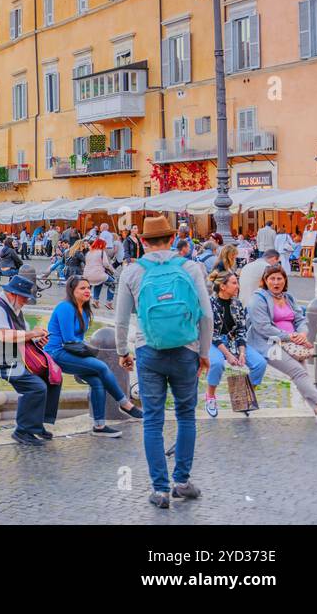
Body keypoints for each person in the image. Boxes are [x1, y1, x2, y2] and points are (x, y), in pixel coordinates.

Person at [115, 215, 212, 509]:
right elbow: (206, 316)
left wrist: (122, 352)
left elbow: (120, 321)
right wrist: (204, 352)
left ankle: (160, 489)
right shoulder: (191, 267)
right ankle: (181, 481)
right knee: (186, 416)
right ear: (172, 239)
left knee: (153, 420)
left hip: (149, 352)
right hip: (186, 350)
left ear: (142, 242)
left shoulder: (131, 272)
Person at [46, 276, 142, 436]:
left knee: (97, 381)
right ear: (72, 291)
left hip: (71, 353)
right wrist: (89, 354)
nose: (87, 291)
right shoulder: (65, 307)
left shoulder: (84, 310)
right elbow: (68, 339)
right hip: (57, 353)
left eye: (88, 288)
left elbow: (78, 340)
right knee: (101, 366)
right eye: (82, 288)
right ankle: (125, 404)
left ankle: (99, 426)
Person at [0, 273, 60, 446]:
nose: (26, 301)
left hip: (16, 358)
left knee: (53, 377)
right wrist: (32, 334)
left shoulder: (16, 308)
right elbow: (4, 335)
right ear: (12, 294)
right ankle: (22, 431)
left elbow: (21, 337)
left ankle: (36, 425)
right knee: (36, 386)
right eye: (24, 297)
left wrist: (37, 339)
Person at [246, 265, 317, 425]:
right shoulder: (257, 299)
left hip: (293, 344)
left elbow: (300, 319)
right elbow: (264, 328)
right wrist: (290, 336)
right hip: (269, 344)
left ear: (285, 280)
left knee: (302, 376)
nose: (276, 282)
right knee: (299, 373)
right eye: (272, 279)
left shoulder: (288, 297)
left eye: (279, 278)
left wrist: (302, 334)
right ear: (265, 281)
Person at [204, 270, 267, 417]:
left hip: (233, 341)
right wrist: (228, 355)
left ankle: (243, 396)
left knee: (260, 364)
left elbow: (241, 329)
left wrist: (242, 352)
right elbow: (211, 333)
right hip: (213, 342)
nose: (237, 286)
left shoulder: (237, 304)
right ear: (223, 286)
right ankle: (210, 396)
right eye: (234, 283)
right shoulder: (209, 304)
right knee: (216, 363)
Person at [83, 238, 114, 310]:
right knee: (112, 283)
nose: (105, 247)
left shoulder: (89, 253)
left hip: (87, 274)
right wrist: (112, 270)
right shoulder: (101, 252)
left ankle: (95, 301)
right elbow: (106, 264)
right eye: (104, 245)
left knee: (98, 283)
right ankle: (109, 302)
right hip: (98, 273)